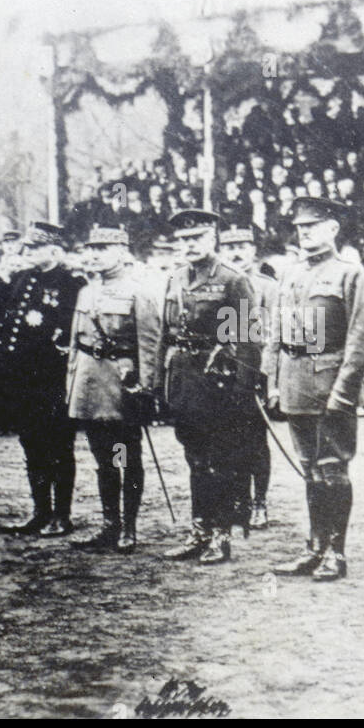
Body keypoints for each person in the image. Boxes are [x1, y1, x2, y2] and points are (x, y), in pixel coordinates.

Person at [266, 197, 364, 582]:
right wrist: (273, 381)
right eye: (300, 227)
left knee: (333, 469)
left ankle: (336, 553)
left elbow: (361, 339)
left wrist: (344, 393)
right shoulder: (290, 274)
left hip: (331, 385)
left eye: (313, 225)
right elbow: (276, 333)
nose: (305, 231)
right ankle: (314, 547)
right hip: (296, 382)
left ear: (333, 229)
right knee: (310, 470)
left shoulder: (350, 273)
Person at [148, 211, 262, 564]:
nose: (189, 245)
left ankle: (221, 536)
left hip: (218, 382)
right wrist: (156, 384)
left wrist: (243, 391)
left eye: (196, 238)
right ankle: (200, 531)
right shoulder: (176, 279)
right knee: (195, 458)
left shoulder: (231, 280)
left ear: (212, 238)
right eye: (183, 240)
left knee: (221, 460)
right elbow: (165, 336)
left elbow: (246, 340)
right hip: (184, 379)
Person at [66, 227, 162, 553]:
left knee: (127, 458)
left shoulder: (139, 291)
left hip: (121, 386)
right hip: (90, 382)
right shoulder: (86, 292)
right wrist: (72, 386)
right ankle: (110, 524)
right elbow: (75, 343)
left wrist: (146, 389)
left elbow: (149, 346)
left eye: (103, 248)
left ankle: (129, 527)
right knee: (102, 458)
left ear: (122, 251)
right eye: (91, 248)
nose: (94, 254)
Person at [0, 222, 85, 536]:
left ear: (55, 249)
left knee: (59, 445)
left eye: (34, 248)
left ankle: (62, 515)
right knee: (31, 444)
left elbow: (69, 328)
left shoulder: (71, 281)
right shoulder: (22, 279)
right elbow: (10, 325)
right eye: (27, 248)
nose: (28, 253)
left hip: (52, 378)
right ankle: (40, 511)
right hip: (23, 378)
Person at [220, 222, 276, 530]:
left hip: (255, 371)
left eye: (242, 246)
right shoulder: (219, 284)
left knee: (255, 440)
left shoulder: (267, 286)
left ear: (253, 250)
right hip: (223, 373)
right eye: (229, 247)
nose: (236, 253)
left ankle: (260, 502)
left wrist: (263, 374)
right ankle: (239, 500)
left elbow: (272, 333)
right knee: (228, 439)